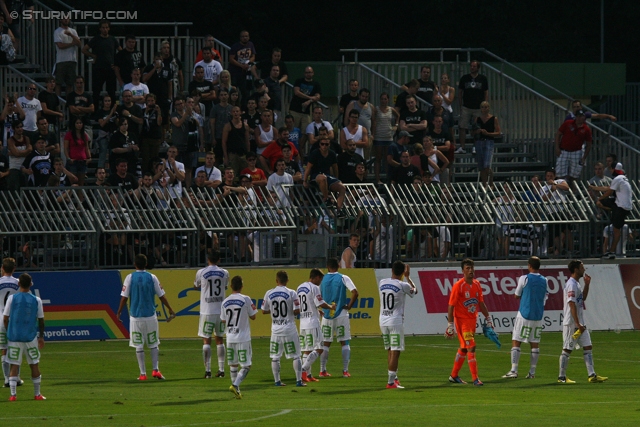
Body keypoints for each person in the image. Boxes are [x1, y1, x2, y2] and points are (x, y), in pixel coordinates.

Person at [117, 254, 176, 381]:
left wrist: (119, 312)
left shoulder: (130, 277)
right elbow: (162, 296)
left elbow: (124, 297)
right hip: (150, 316)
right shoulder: (152, 277)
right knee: (154, 343)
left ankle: (143, 374)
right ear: (146, 264)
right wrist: (170, 309)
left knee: (139, 345)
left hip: (135, 316)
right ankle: (155, 370)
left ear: (134, 264)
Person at [557, 260, 607, 384]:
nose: (584, 269)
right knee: (567, 349)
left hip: (580, 323)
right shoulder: (571, 284)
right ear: (575, 269)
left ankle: (592, 375)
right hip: (572, 323)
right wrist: (577, 323)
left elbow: (582, 298)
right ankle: (561, 377)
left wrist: (587, 284)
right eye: (582, 267)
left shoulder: (577, 283)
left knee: (588, 346)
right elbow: (571, 304)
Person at [445, 258, 493, 386]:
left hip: (472, 321)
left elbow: (481, 303)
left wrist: (488, 318)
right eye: (468, 268)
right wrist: (450, 325)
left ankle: (454, 375)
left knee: (464, 348)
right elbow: (451, 306)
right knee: (471, 346)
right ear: (463, 271)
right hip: (462, 322)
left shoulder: (477, 284)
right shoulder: (458, 286)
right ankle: (475, 379)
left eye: (472, 268)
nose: (471, 270)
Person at [502, 256, 549, 379]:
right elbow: (545, 297)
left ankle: (514, 370)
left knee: (516, 340)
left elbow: (516, 295)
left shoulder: (524, 278)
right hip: (538, 315)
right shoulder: (545, 280)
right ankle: (532, 372)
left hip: (524, 314)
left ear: (529, 266)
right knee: (534, 343)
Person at [3, 273, 45, 401]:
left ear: (19, 284)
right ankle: (37, 394)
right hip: (30, 337)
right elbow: (41, 320)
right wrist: (41, 337)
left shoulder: (12, 299)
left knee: (14, 365)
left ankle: (13, 395)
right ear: (31, 284)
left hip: (14, 336)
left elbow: (5, 318)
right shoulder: (36, 300)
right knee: (34, 364)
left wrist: (9, 330)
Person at [261, 270, 305, 387]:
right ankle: (298, 381)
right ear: (287, 281)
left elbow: (264, 310)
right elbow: (296, 310)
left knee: (275, 356)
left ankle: (277, 381)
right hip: (289, 327)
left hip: (275, 328)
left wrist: (274, 310)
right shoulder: (291, 293)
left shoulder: (269, 293)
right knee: (296, 355)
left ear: (276, 281)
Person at [379, 260, 417, 389]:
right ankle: (390, 382)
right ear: (402, 273)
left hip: (383, 320)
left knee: (390, 349)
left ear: (392, 270)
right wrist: (408, 277)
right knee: (396, 350)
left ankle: (394, 378)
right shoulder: (403, 285)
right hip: (395, 321)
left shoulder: (382, 282)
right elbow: (414, 291)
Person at [318, 258, 359, 378]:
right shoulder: (343, 277)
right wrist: (349, 306)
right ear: (338, 266)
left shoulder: (322, 279)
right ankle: (345, 371)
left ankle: (322, 370)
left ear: (327, 267)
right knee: (344, 342)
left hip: (327, 315)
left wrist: (320, 309)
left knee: (325, 343)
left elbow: (317, 296)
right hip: (341, 313)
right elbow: (355, 292)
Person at [194, 249, 229, 379]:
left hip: (207, 311)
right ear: (219, 260)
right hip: (221, 311)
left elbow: (196, 285)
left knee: (206, 339)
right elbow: (225, 286)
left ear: (208, 259)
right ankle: (221, 370)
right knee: (219, 339)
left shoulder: (201, 272)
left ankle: (208, 371)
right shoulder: (224, 273)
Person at [221, 275, 257, 399]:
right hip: (243, 337)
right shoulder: (246, 299)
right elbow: (253, 316)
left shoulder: (225, 301)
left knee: (233, 365)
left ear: (231, 286)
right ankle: (235, 385)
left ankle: (237, 391)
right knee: (246, 365)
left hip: (230, 336)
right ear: (242, 286)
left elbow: (223, 320)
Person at [297, 269, 334, 382]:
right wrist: (330, 307)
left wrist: (317, 311)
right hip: (312, 323)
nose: (320, 282)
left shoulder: (299, 287)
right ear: (316, 277)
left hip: (303, 322)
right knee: (319, 348)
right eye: (320, 279)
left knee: (307, 350)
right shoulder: (314, 287)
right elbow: (320, 303)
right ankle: (303, 370)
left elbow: (307, 304)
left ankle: (307, 375)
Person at [592, 163, 632, 259]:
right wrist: (596, 188)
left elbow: (609, 192)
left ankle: (612, 252)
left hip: (620, 207)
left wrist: (599, 199)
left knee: (616, 231)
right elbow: (609, 188)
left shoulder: (617, 179)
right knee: (604, 202)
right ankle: (611, 251)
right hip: (623, 206)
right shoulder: (623, 179)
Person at [82, 19, 120, 108]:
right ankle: (95, 111)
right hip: (98, 69)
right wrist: (93, 56)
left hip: (110, 69)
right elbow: (84, 49)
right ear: (100, 29)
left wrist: (116, 62)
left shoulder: (112, 39)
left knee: (112, 92)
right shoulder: (96, 39)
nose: (105, 29)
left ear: (109, 28)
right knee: (96, 92)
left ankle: (113, 111)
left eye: (107, 27)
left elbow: (120, 51)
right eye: (103, 28)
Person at [303, 135, 346, 214]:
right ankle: (326, 198)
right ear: (319, 144)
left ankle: (339, 210)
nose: (324, 146)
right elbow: (308, 167)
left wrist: (336, 179)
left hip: (327, 176)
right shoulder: (315, 153)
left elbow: (335, 168)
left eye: (326, 144)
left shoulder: (332, 154)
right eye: (322, 144)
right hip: (315, 175)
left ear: (329, 145)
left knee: (342, 187)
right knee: (322, 178)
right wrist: (305, 180)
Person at [457, 60, 489, 154]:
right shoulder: (464, 78)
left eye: (474, 66)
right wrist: (460, 104)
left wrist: (485, 104)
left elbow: (486, 92)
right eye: (471, 66)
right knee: (462, 126)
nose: (472, 68)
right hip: (466, 107)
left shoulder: (483, 78)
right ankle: (462, 147)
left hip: (478, 108)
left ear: (478, 68)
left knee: (476, 127)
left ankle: (475, 147)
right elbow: (460, 92)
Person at [554, 109, 592, 185]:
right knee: (560, 173)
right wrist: (557, 147)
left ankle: (573, 192)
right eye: (578, 116)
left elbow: (589, 144)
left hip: (577, 151)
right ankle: (560, 189)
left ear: (584, 117)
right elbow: (558, 134)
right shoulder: (568, 123)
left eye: (581, 116)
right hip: (564, 150)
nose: (579, 118)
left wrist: (584, 157)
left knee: (575, 174)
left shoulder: (586, 129)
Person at [289, 67, 322, 151]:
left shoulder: (316, 84)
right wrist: (310, 97)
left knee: (307, 131)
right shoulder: (299, 81)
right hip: (295, 109)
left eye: (310, 72)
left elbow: (318, 96)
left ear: (313, 73)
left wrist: (309, 101)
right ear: (304, 73)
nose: (308, 74)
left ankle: (300, 147)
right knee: (293, 130)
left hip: (306, 112)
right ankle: (292, 147)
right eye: (307, 72)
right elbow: (297, 92)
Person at [0, 257, 21, 388]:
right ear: (14, 269)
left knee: (4, 349)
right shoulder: (19, 283)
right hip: (14, 319)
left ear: (2, 268)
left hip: (0, 318)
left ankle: (7, 379)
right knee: (16, 349)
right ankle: (16, 377)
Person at [372, 92, 399, 183]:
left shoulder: (391, 109)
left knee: (388, 159)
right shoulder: (376, 109)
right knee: (378, 158)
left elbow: (398, 115)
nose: (383, 101)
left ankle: (388, 179)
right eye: (382, 99)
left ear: (388, 100)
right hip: (378, 136)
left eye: (385, 99)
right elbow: (373, 120)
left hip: (388, 136)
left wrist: (396, 125)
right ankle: (377, 179)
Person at [474, 101, 501, 186]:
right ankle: (485, 184)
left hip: (489, 141)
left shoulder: (493, 119)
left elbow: (498, 132)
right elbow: (472, 132)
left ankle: (491, 182)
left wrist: (488, 133)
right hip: (479, 142)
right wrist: (477, 131)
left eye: (486, 107)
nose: (484, 109)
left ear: (489, 108)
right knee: (481, 166)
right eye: (483, 107)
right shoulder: (477, 119)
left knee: (487, 165)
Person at [53, 17, 80, 96]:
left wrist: (71, 35)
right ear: (60, 20)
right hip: (61, 60)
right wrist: (72, 44)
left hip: (72, 60)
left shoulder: (73, 31)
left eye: (67, 18)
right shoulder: (57, 31)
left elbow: (79, 44)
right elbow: (60, 45)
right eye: (64, 18)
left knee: (70, 83)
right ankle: (58, 102)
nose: (66, 20)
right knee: (58, 83)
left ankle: (69, 103)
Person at [63, 117, 91, 185]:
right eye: (77, 123)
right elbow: (66, 148)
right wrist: (68, 158)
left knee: (81, 184)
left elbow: (87, 147)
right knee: (74, 183)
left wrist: (89, 157)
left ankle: (81, 196)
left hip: (83, 161)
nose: (79, 125)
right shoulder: (69, 135)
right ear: (74, 124)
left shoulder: (84, 135)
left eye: (80, 123)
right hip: (73, 161)